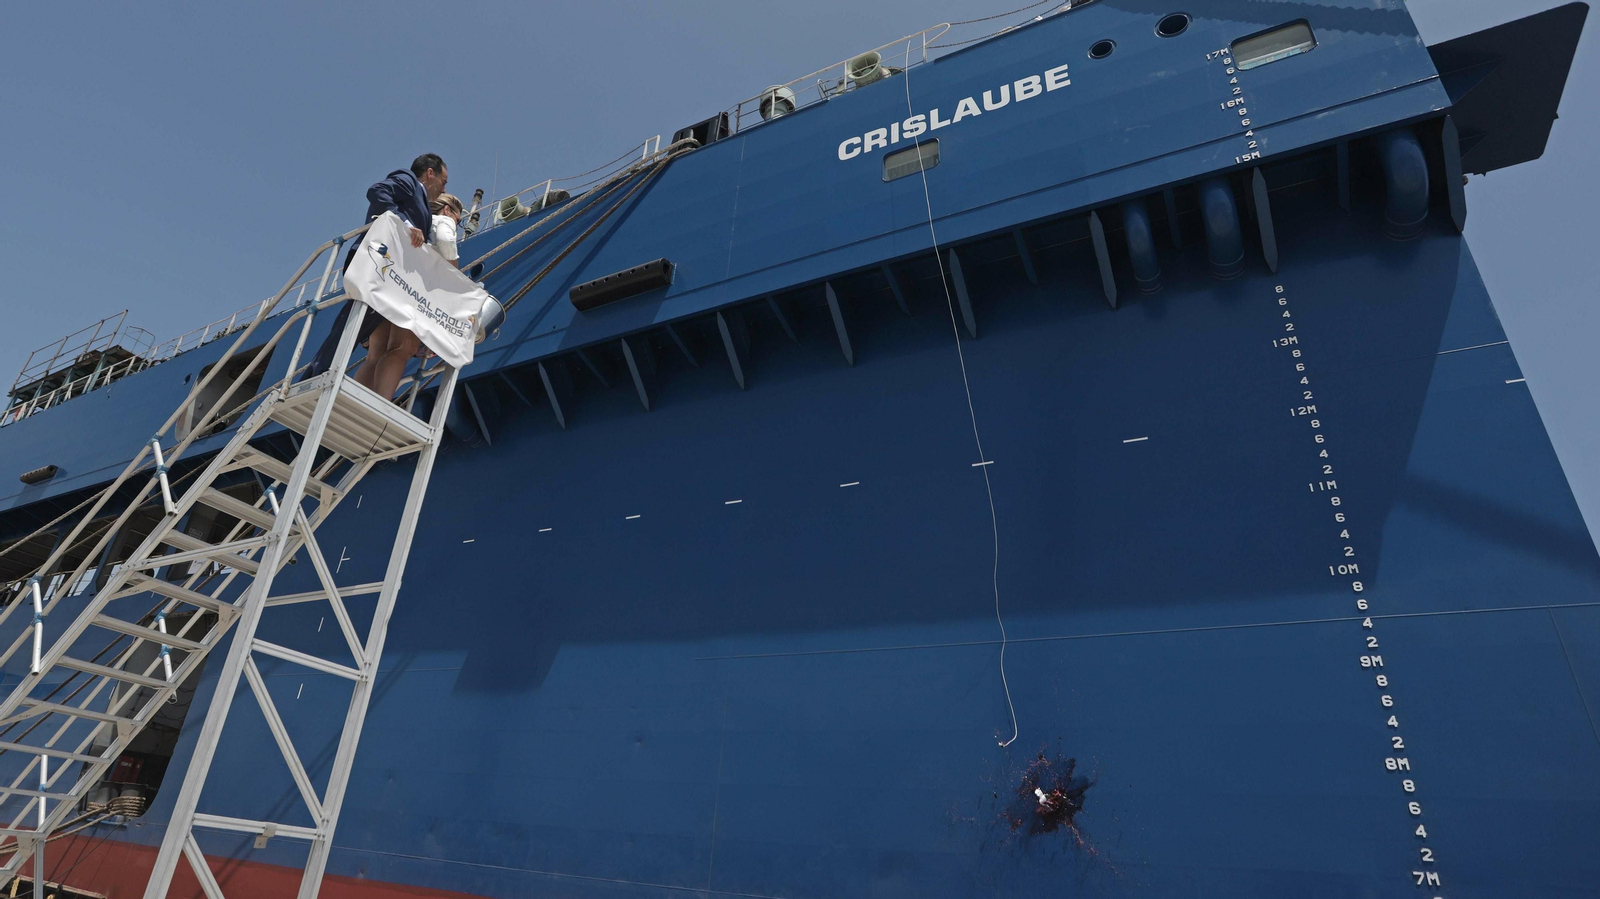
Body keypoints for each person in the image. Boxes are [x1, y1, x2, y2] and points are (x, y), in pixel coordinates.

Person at [305, 153, 449, 399]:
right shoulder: (408, 181)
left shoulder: (423, 204)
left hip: (391, 274)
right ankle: (314, 376)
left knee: (358, 329)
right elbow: (378, 191)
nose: (444, 189)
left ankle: (320, 374)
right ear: (429, 173)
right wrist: (405, 225)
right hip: (378, 262)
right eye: (443, 182)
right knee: (350, 324)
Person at [430, 193, 464, 268]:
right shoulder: (446, 220)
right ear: (447, 210)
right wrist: (454, 268)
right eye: (458, 220)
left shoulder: (425, 221)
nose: (456, 225)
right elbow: (445, 240)